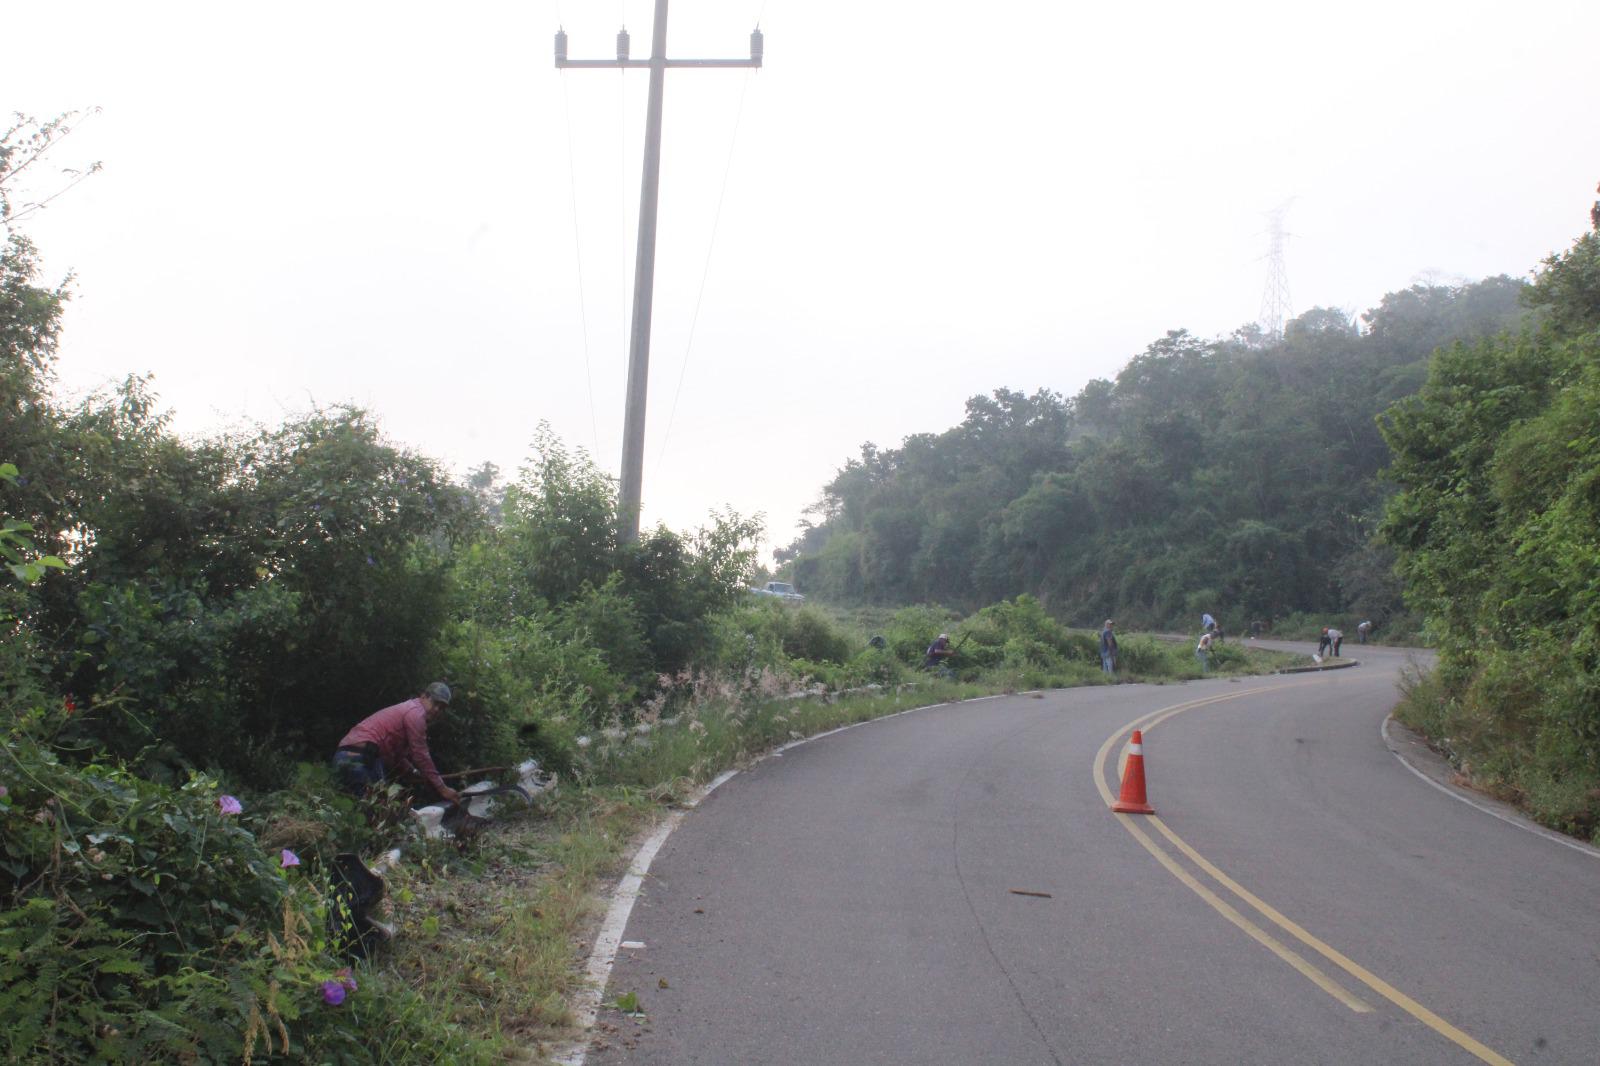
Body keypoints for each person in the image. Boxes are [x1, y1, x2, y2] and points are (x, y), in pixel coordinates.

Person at [333, 682, 461, 805]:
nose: (437, 710)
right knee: (376, 811)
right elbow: (421, 755)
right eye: (435, 703)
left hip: (343, 756)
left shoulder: (407, 710)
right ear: (423, 696)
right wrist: (442, 788)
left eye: (442, 707)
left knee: (351, 811)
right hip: (362, 759)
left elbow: (398, 757)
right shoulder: (416, 714)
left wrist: (414, 772)